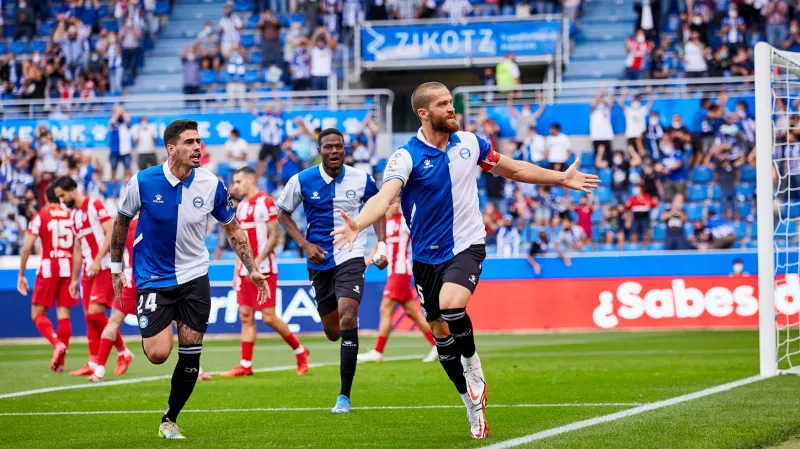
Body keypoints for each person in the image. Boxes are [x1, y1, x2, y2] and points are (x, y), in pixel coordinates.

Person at [331, 82, 598, 438]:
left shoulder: (471, 143)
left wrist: (561, 178)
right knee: (440, 332)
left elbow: (515, 170)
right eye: (443, 104)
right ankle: (470, 403)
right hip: (425, 257)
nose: (451, 108)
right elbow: (384, 198)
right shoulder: (405, 156)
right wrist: (359, 224)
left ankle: (473, 366)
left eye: (451, 102)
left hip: (467, 245)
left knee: (452, 306)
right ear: (424, 113)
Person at [111, 119, 267, 440]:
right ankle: (158, 327)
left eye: (198, 141)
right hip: (153, 277)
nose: (197, 147)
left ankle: (170, 419)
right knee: (158, 354)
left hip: (195, 276)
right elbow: (121, 222)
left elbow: (233, 229)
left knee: (191, 352)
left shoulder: (211, 184)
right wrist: (116, 267)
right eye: (189, 142)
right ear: (171, 148)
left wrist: (251, 267)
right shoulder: (142, 182)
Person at [276, 128, 388, 414]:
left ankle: (344, 397)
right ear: (320, 151)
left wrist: (381, 244)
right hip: (319, 260)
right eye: (328, 147)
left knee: (348, 315)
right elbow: (282, 213)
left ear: (345, 149)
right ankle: (344, 333)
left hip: (351, 254)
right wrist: (304, 244)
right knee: (333, 331)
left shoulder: (361, 178)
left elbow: (378, 208)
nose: (334, 151)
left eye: (339, 146)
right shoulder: (302, 180)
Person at [220, 166, 310, 377]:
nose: (235, 186)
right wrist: (236, 272)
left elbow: (275, 236)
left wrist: (257, 262)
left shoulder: (266, 202)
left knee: (268, 317)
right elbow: (238, 243)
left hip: (264, 269)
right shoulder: (241, 206)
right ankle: (245, 365)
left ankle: (300, 351)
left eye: (238, 181)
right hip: (244, 271)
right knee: (245, 316)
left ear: (250, 180)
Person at [52, 176, 132, 377]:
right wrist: (74, 278)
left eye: (62, 195)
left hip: (104, 267)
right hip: (88, 272)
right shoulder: (73, 215)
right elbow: (78, 248)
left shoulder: (94, 205)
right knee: (90, 318)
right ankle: (93, 361)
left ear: (73, 189)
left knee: (96, 314)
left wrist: (97, 260)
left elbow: (110, 233)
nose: (62, 200)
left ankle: (123, 352)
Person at [358, 196, 438, 363]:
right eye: (391, 203)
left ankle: (378, 351)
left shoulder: (405, 221)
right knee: (412, 313)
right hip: (393, 272)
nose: (394, 206)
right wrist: (366, 265)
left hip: (401, 272)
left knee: (385, 308)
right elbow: (378, 247)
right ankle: (438, 345)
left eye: (396, 203)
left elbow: (421, 237)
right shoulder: (385, 223)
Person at [16, 184, 76, 372]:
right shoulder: (71, 215)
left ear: (46, 197)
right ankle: (61, 363)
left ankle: (57, 343)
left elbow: (27, 247)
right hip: (68, 267)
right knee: (64, 314)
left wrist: (21, 274)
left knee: (37, 313)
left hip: (49, 267)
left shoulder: (40, 216)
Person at [88, 213, 139, 382]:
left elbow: (116, 250)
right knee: (175, 319)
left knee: (113, 323)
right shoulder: (154, 217)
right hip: (153, 279)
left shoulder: (125, 222)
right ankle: (195, 369)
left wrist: (120, 272)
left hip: (131, 279)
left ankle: (99, 370)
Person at [109, 105, 132, 182]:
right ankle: (113, 186)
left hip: (126, 150)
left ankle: (129, 184)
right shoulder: (113, 123)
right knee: (113, 169)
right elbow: (112, 121)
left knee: (128, 169)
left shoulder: (125, 124)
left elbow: (128, 119)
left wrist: (121, 111)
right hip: (115, 150)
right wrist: (117, 112)